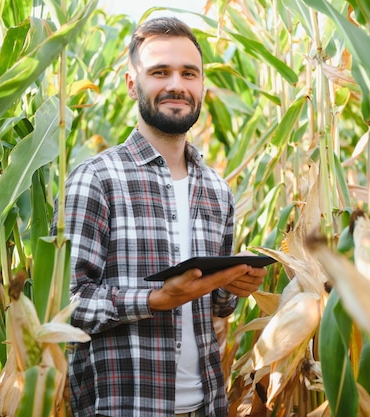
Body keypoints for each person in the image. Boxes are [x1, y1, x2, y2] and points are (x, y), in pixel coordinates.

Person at [57, 16, 268, 417]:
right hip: (125, 408)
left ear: (202, 85)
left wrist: (235, 283)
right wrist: (154, 299)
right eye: (160, 72)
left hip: (207, 405)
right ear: (133, 84)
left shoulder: (216, 191)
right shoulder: (96, 180)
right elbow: (63, 305)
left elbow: (217, 307)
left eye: (189, 73)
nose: (177, 85)